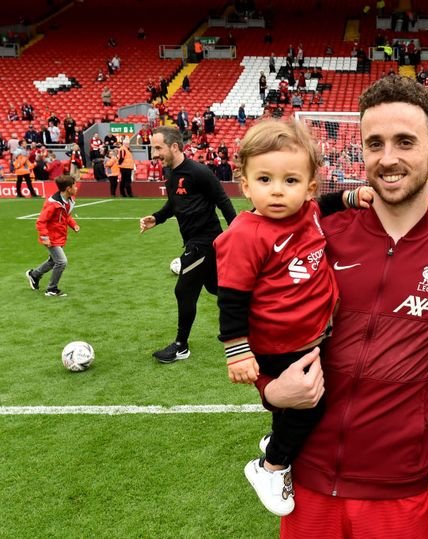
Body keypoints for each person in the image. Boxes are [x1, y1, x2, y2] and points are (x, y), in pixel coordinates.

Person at [275, 75, 428, 539]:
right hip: (309, 484)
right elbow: (266, 326)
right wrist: (271, 391)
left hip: (398, 493)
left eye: (405, 142)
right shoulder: (321, 238)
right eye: (374, 143)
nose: (388, 158)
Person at [215, 119, 374, 517]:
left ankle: (275, 439)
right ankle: (271, 466)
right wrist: (237, 352)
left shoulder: (310, 213)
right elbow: (231, 298)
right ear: (246, 184)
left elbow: (329, 205)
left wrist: (354, 197)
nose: (277, 190)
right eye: (265, 179)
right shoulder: (246, 234)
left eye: (290, 181)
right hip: (278, 344)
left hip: (313, 336)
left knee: (313, 400)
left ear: (308, 187)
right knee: (312, 404)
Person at [139, 126, 237, 363]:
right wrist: (157, 218)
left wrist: (236, 232)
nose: (155, 153)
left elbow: (222, 200)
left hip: (204, 242)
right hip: (198, 243)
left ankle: (181, 346)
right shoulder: (172, 175)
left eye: (158, 148)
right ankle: (241, 329)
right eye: (153, 148)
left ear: (174, 146)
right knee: (216, 289)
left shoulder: (198, 172)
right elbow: (174, 204)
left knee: (183, 291)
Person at [26, 175, 82, 297]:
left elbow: (66, 216)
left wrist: (74, 225)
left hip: (59, 236)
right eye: (74, 186)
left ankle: (34, 275)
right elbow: (41, 221)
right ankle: (51, 289)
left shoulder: (68, 200)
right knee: (61, 262)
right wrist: (45, 237)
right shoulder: (53, 204)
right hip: (51, 238)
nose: (76, 188)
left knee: (53, 261)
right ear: (68, 188)